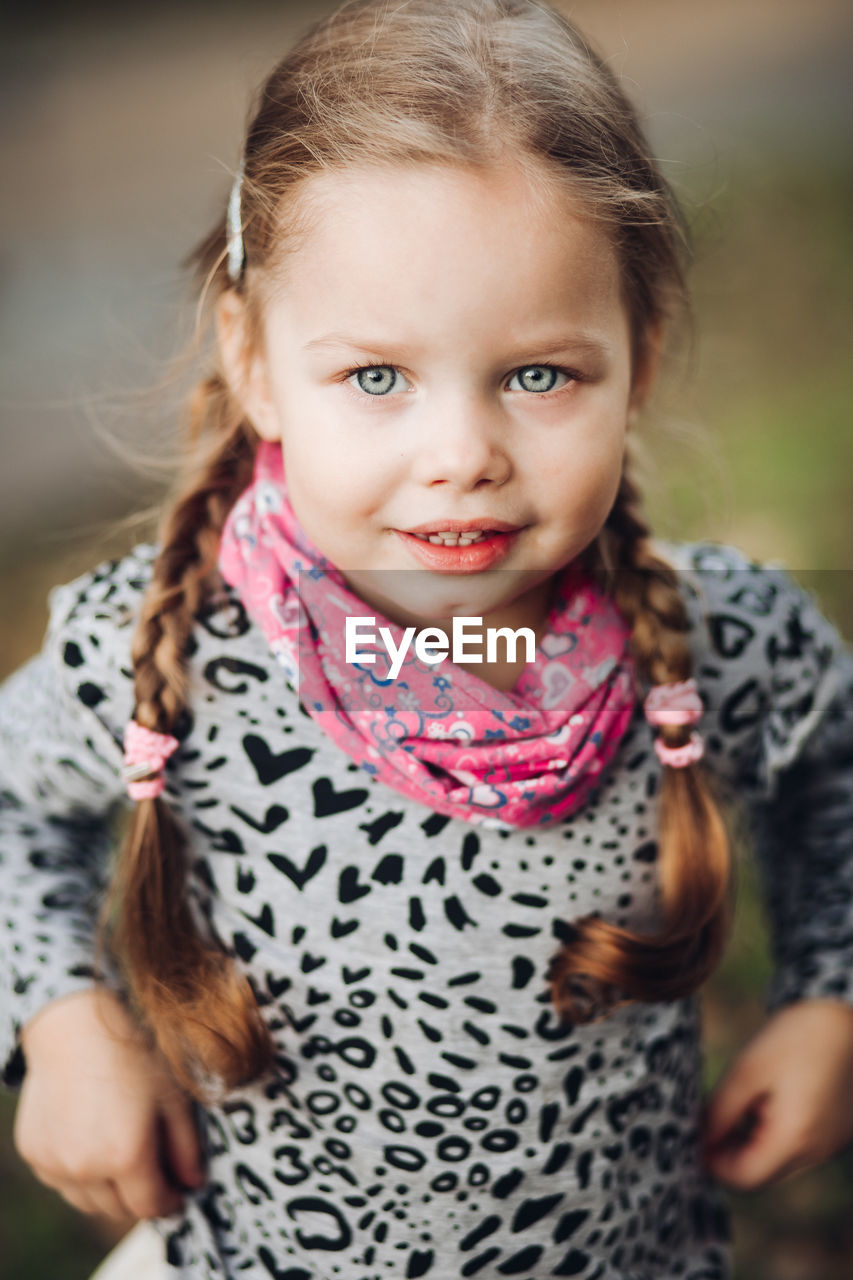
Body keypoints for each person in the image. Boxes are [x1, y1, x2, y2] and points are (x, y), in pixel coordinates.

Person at [3, 1, 853, 1277]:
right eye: (378, 377)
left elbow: (836, 785)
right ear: (255, 361)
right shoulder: (169, 656)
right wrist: (62, 1023)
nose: (461, 455)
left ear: (642, 357)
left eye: (539, 374)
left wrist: (827, 1003)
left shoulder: (717, 639)